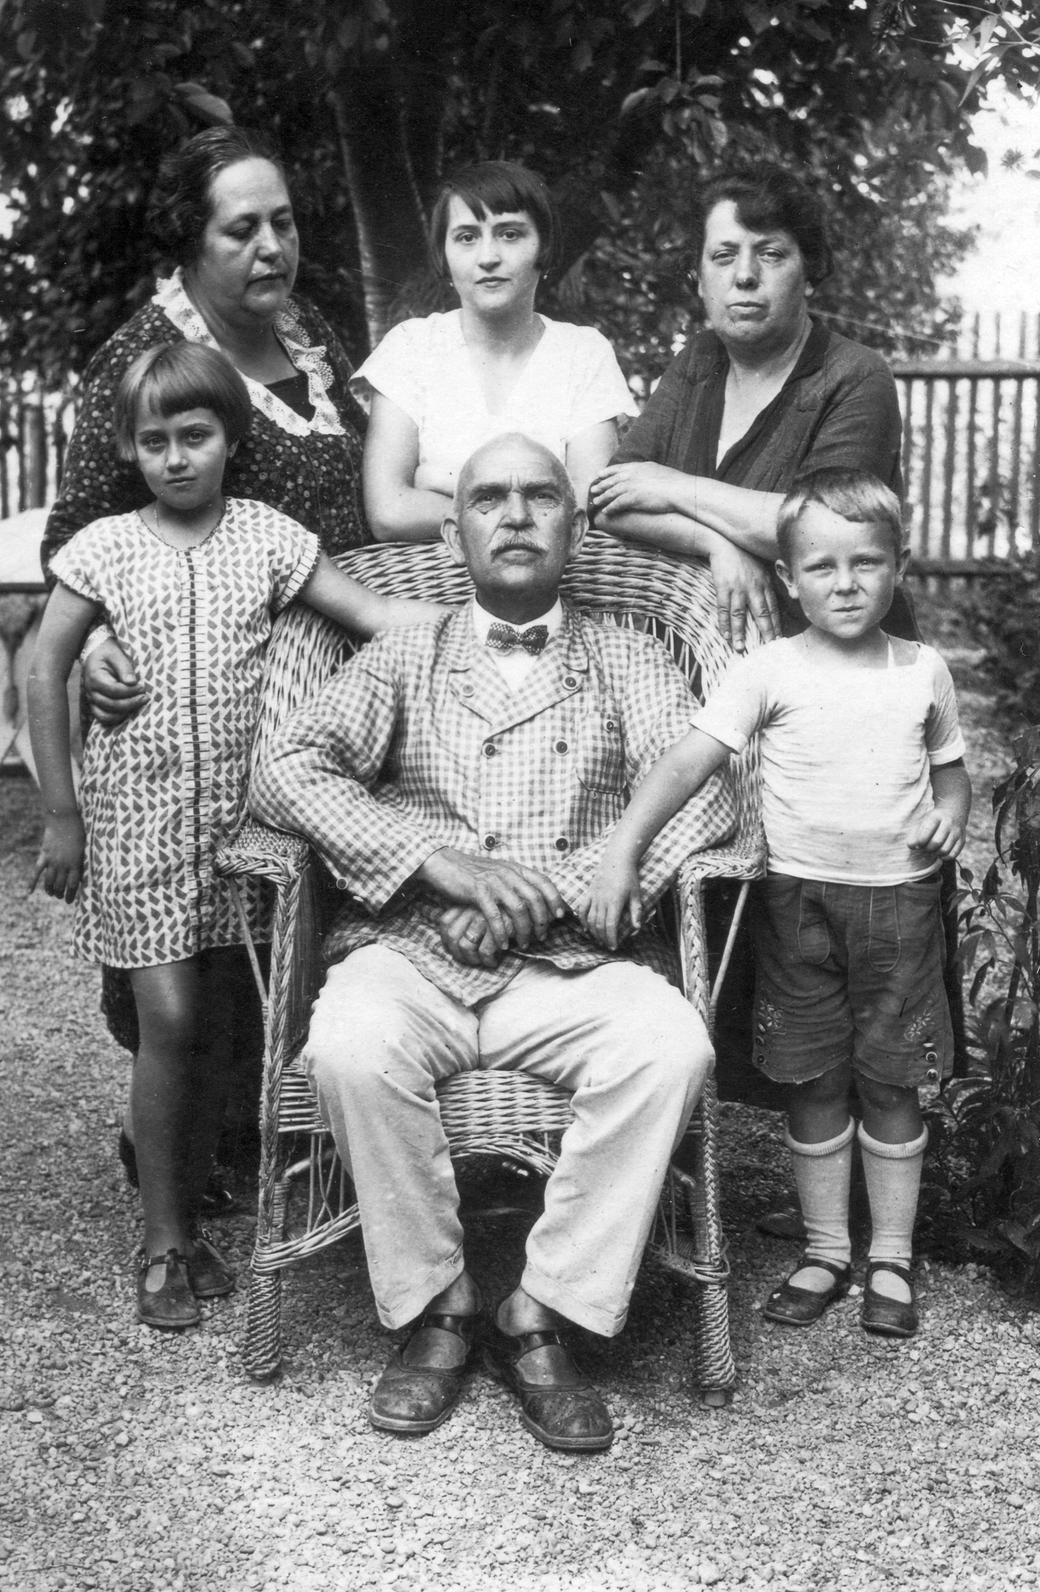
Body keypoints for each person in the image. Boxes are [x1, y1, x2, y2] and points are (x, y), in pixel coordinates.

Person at [248, 432, 736, 1448]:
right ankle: (439, 1301)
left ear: (576, 522)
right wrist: (436, 862)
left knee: (671, 1045)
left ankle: (542, 1307)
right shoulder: (402, 651)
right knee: (345, 1043)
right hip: (413, 949)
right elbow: (288, 767)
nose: (515, 514)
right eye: (489, 498)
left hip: (569, 960)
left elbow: (708, 797)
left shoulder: (630, 655)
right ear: (453, 527)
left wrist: (552, 888)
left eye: (540, 496)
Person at [28, 342, 441, 1331]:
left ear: (230, 438)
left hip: (237, 833)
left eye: (195, 435)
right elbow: (44, 670)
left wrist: (475, 628)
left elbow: (372, 612)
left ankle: (187, 1210)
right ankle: (161, 1237)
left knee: (214, 1022)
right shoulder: (105, 550)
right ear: (129, 448)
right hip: (135, 826)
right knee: (167, 1019)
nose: (176, 457)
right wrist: (58, 811)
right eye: (155, 440)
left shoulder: (268, 537)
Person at [39, 122, 374, 1147]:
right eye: (243, 229)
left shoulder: (312, 332)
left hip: (329, 683)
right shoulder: (137, 366)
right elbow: (75, 544)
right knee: (190, 935)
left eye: (283, 222)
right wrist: (98, 653)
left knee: (296, 926)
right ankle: (180, 1139)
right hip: (196, 697)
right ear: (191, 241)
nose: (272, 246)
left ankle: (292, 1120)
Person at [580, 469, 970, 1340]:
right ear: (789, 578)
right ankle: (829, 1247)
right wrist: (626, 844)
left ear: (897, 569)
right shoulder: (767, 668)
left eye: (867, 562)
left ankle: (892, 1257)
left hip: (899, 905)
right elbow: (689, 762)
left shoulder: (922, 671)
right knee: (813, 1075)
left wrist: (950, 820)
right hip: (797, 904)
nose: (846, 582)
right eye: (822, 566)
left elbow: (951, 772)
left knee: (894, 1077)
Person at [589, 164, 911, 655]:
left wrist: (678, 487)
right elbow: (610, 502)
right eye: (723, 256)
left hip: (838, 665)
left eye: (771, 254)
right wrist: (717, 544)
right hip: (701, 650)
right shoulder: (698, 361)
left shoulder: (856, 376)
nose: (744, 276)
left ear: (809, 274)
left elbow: (830, 533)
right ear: (698, 280)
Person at [354, 160, 635, 537]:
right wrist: (530, 515)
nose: (488, 257)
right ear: (444, 254)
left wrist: (454, 511)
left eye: (509, 234)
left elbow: (585, 506)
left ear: (544, 247)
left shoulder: (582, 353)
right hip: (424, 583)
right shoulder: (411, 348)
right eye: (467, 237)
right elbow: (389, 512)